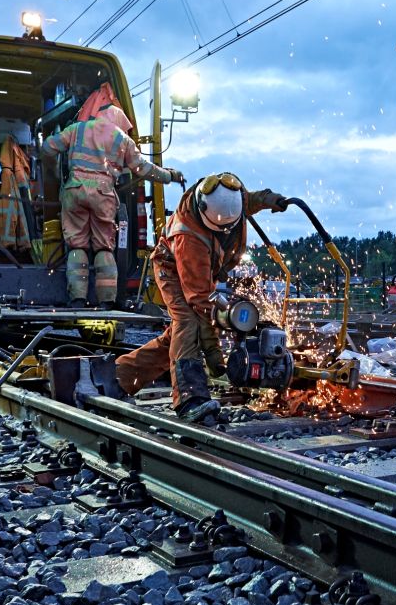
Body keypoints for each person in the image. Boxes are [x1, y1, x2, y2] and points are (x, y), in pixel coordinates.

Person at [114, 173, 287, 421]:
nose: (227, 231)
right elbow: (201, 302)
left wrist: (270, 199)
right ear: (204, 212)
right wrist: (215, 356)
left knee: (177, 339)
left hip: (203, 273)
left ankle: (120, 376)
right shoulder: (188, 236)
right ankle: (190, 399)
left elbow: (249, 200)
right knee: (188, 323)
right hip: (172, 270)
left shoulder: (228, 197)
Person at [43, 82, 185, 308]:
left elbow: (48, 147)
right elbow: (143, 169)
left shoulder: (78, 129)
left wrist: (57, 164)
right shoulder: (122, 140)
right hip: (104, 195)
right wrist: (170, 176)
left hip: (74, 191)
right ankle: (106, 301)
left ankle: (77, 299)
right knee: (103, 248)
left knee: (77, 246)